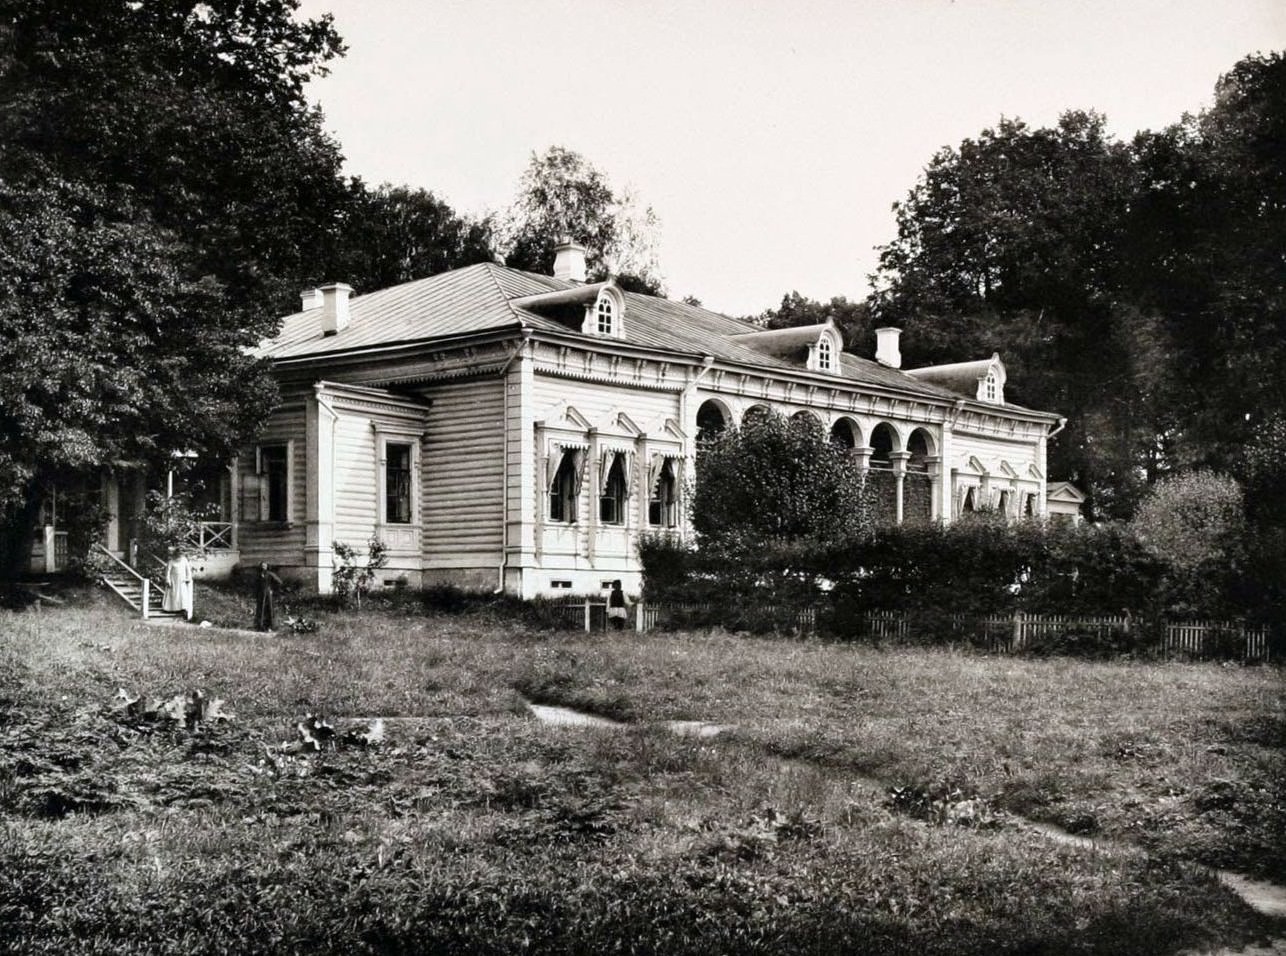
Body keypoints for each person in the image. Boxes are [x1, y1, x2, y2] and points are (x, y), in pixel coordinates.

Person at [162, 546, 194, 621]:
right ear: (175, 553)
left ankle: (182, 608)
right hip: (173, 580)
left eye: (181, 553)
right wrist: (168, 580)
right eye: (178, 553)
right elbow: (168, 571)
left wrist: (188, 578)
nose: (179, 554)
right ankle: (170, 608)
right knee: (173, 593)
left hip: (182, 580)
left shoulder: (184, 560)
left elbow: (188, 570)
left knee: (182, 594)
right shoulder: (171, 561)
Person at [254, 562, 283, 631]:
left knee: (269, 608)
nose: (263, 567)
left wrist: (272, 589)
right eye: (262, 566)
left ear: (267, 567)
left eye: (265, 566)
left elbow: (279, 582)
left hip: (268, 594)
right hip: (261, 594)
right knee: (261, 608)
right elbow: (256, 585)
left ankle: (271, 626)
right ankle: (260, 625)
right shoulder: (259, 575)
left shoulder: (270, 574)